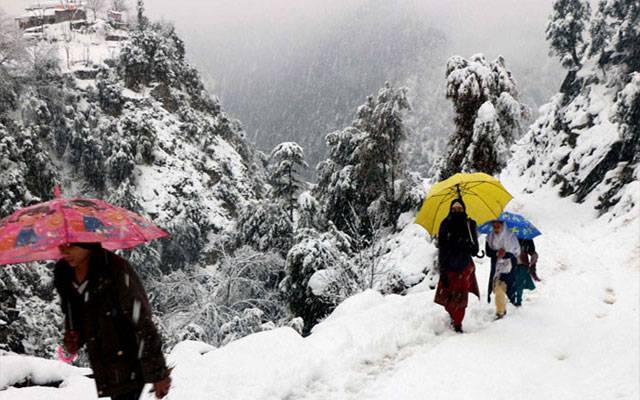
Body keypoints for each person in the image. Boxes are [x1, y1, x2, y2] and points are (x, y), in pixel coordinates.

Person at [54, 242, 171, 400]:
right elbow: (76, 314)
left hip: (130, 358)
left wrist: (159, 373)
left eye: (70, 245)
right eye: (61, 244)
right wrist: (75, 337)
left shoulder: (115, 269)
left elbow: (141, 320)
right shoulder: (64, 274)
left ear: (87, 243)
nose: (64, 250)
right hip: (104, 360)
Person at [434, 198, 480, 333]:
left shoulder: (469, 224)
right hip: (448, 265)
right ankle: (453, 315)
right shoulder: (445, 224)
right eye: (454, 209)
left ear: (464, 210)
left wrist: (469, 246)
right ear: (450, 210)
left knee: (461, 297)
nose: (457, 212)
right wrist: (441, 268)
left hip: (463, 265)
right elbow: (441, 248)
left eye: (460, 209)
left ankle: (458, 322)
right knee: (448, 296)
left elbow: (475, 249)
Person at [485, 220, 520, 319]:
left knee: (501, 289)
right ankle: (502, 309)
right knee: (497, 289)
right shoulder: (490, 237)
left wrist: (506, 254)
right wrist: (496, 253)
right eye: (494, 226)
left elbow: (516, 252)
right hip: (496, 268)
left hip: (509, 268)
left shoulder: (510, 237)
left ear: (502, 226)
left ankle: (500, 312)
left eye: (498, 226)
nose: (496, 229)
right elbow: (488, 252)